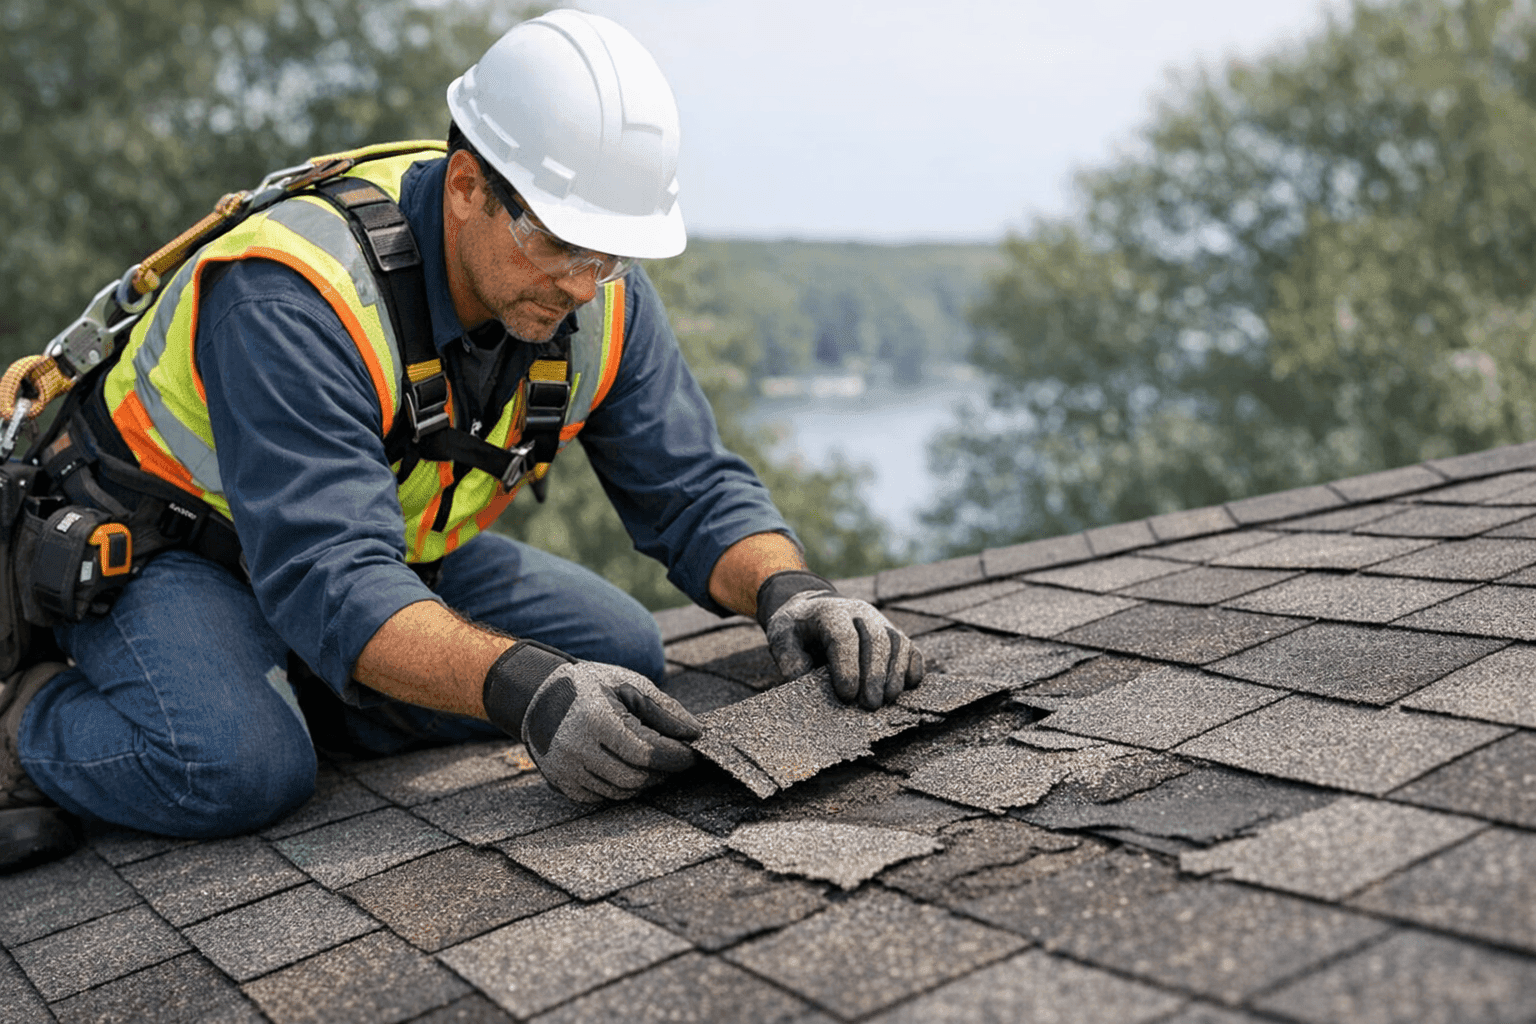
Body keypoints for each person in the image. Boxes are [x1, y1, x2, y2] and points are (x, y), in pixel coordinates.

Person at [0, 10, 924, 872]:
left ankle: (313, 675)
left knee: (618, 650)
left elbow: (690, 489)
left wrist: (793, 595)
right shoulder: (295, 295)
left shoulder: (596, 293)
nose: (582, 284)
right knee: (239, 766)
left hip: (367, 556)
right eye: (562, 244)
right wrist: (524, 691)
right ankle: (23, 725)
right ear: (470, 186)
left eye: (611, 255)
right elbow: (331, 572)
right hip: (170, 552)